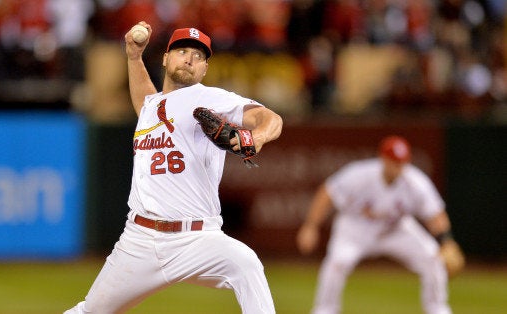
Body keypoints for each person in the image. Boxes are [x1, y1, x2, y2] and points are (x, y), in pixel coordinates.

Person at [64, 21, 283, 313]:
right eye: (181, 51)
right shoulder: (152, 105)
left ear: (204, 68)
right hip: (139, 240)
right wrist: (133, 57)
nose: (189, 58)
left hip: (197, 238)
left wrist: (257, 136)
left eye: (198, 55)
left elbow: (271, 119)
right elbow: (145, 102)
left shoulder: (210, 98)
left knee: (246, 264)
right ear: (166, 58)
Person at [296, 135, 463, 314]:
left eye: (402, 162)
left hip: (396, 229)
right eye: (394, 161)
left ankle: (438, 309)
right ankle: (324, 310)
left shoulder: (415, 182)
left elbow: (435, 214)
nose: (398, 167)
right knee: (337, 263)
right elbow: (327, 192)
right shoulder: (360, 174)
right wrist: (310, 226)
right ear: (383, 158)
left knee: (433, 259)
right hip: (356, 228)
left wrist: (446, 241)